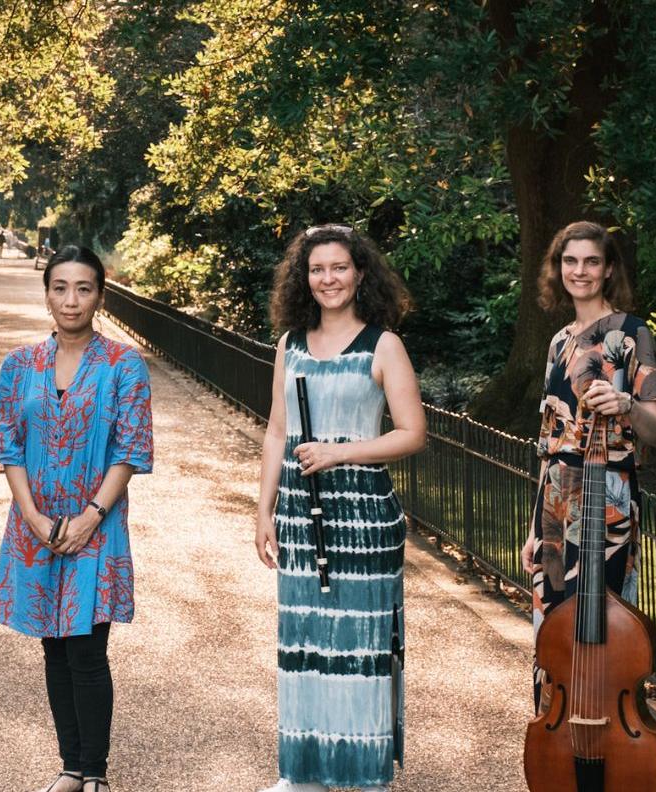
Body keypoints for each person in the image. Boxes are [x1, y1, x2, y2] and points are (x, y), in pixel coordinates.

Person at [253, 224, 426, 792]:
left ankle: (360, 774)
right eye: (317, 269)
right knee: (305, 639)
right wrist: (264, 514)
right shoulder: (290, 344)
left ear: (360, 274)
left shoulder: (383, 345)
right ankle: (304, 772)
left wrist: (340, 451)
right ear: (305, 279)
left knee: (360, 645)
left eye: (339, 268)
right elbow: (278, 430)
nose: (328, 279)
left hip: (363, 517)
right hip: (302, 514)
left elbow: (412, 434)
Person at [0, 246, 154, 792]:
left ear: (99, 296)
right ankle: (69, 766)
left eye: (83, 288)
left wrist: (91, 516)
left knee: (86, 648)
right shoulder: (19, 365)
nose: (71, 299)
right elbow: (7, 446)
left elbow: (130, 449)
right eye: (60, 287)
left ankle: (96, 773)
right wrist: (32, 517)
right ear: (47, 295)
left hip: (96, 524)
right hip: (33, 525)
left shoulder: (122, 364)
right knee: (53, 648)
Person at [519, 221, 656, 698]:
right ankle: (558, 753)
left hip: (608, 498)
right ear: (557, 268)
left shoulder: (631, 335)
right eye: (570, 261)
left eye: (591, 261)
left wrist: (627, 405)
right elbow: (548, 442)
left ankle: (610, 753)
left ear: (607, 271)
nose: (579, 271)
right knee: (554, 636)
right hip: (555, 503)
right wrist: (534, 527)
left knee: (604, 632)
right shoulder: (558, 342)